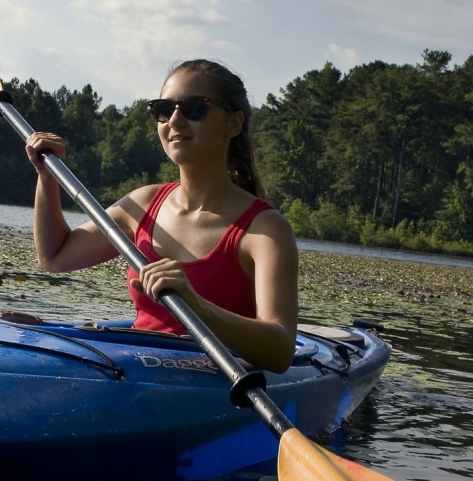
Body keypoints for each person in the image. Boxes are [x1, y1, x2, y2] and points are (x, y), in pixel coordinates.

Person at [25, 59, 298, 373]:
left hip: (217, 384)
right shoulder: (143, 203)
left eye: (196, 108)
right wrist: (46, 176)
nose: (175, 120)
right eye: (163, 110)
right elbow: (55, 256)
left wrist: (196, 306)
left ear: (233, 124)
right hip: (137, 374)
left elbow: (280, 352)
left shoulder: (265, 231)